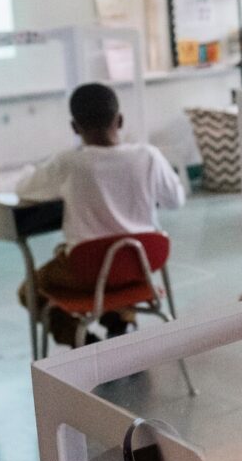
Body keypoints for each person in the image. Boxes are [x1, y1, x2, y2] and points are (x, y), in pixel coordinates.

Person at [16, 82, 185, 345]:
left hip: (86, 272)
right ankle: (121, 322)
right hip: (139, 267)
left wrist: (29, 172)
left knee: (29, 289)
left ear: (74, 127)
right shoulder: (149, 156)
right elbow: (175, 200)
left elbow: (25, 190)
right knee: (115, 264)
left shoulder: (69, 163)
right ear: (120, 120)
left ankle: (82, 341)